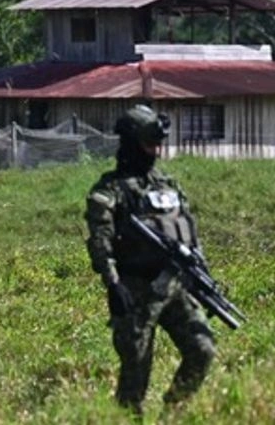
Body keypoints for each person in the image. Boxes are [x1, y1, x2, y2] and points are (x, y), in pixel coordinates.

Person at [85, 104, 216, 416]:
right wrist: (113, 284)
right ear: (131, 143)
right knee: (135, 374)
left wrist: (205, 279)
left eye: (158, 145)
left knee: (202, 349)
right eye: (148, 144)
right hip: (135, 291)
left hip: (175, 287)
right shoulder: (110, 189)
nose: (155, 151)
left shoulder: (168, 186)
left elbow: (189, 234)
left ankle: (172, 415)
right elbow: (100, 241)